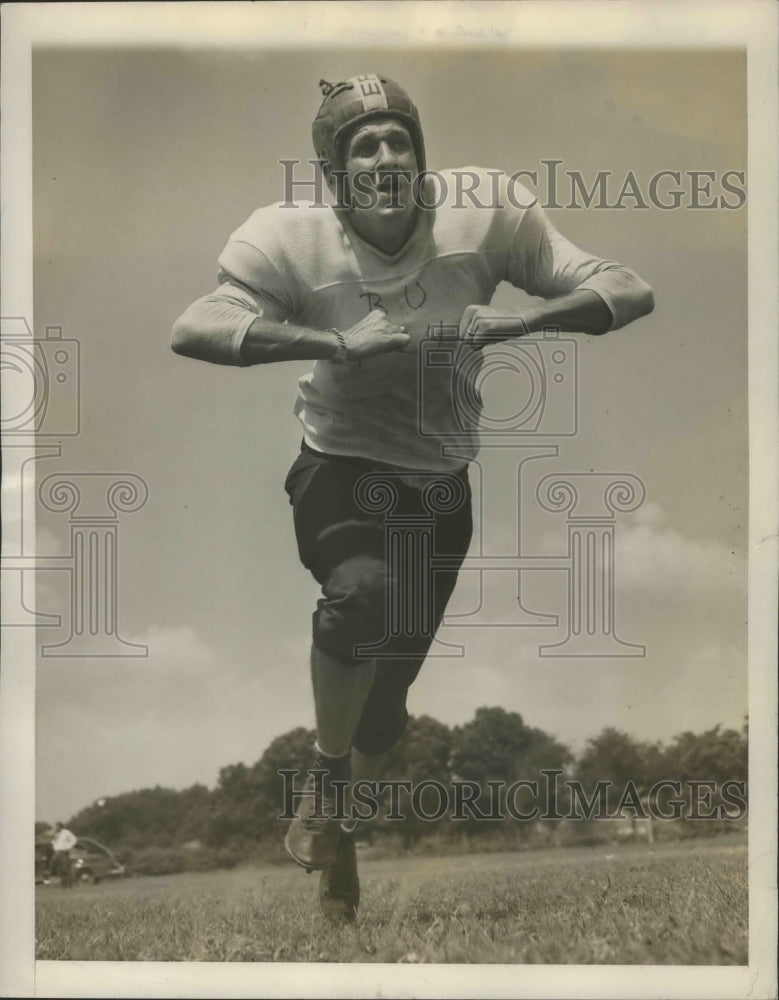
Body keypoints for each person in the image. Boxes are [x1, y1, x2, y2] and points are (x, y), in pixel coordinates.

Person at [171, 73, 654, 923]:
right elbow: (195, 327)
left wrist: (523, 321)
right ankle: (324, 784)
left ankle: (339, 834)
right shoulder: (287, 237)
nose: (387, 154)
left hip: (439, 490)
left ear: (421, 154)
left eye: (400, 138)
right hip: (339, 468)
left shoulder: (486, 213)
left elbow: (625, 286)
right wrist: (333, 341)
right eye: (365, 145)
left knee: (385, 719)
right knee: (357, 598)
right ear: (334, 171)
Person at [50, 822, 77, 888]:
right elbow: (53, 842)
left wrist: (68, 847)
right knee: (60, 869)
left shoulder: (66, 832)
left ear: (60, 826)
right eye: (55, 826)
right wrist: (55, 848)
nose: (56, 828)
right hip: (57, 852)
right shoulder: (56, 834)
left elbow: (74, 839)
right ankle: (63, 885)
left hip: (64, 852)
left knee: (65, 869)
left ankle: (69, 885)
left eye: (57, 826)